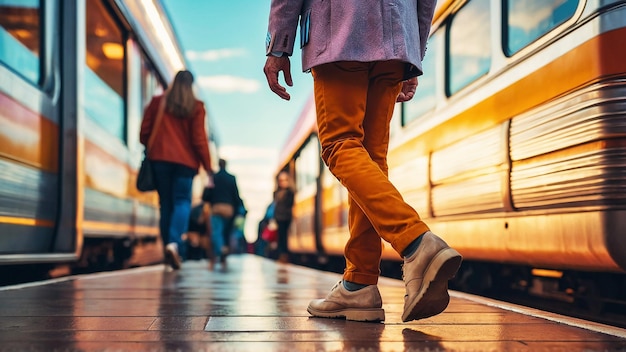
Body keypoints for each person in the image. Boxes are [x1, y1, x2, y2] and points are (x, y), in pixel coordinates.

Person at [263, 0, 462, 322]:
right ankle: (359, 283)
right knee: (371, 159)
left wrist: (278, 46)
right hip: (396, 42)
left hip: (341, 32)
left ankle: (415, 241)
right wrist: (413, 53)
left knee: (339, 145)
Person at [140, 70, 213, 270]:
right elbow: (199, 139)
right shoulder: (196, 107)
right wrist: (208, 168)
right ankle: (174, 243)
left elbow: (143, 133)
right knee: (182, 202)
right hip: (185, 163)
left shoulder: (158, 102)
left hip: (160, 160)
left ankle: (167, 247)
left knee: (166, 205)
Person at [203, 158, 243, 270]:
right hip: (229, 209)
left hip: (216, 207)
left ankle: (220, 250)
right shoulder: (231, 178)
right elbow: (236, 195)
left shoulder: (213, 178)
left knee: (216, 231)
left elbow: (206, 195)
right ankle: (224, 250)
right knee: (226, 231)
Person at [273, 171, 294, 263]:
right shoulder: (276, 192)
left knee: (284, 236)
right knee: (280, 236)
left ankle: (284, 254)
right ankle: (282, 254)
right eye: (281, 180)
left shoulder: (290, 192)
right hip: (279, 217)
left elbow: (290, 204)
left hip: (286, 217)